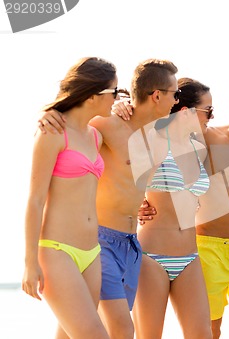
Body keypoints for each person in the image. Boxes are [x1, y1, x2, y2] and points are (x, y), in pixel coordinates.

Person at [132, 76, 229, 338]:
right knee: (211, 330)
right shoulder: (206, 137)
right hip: (205, 247)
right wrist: (138, 201)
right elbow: (163, 128)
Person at [38, 58, 179, 338]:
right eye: (174, 93)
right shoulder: (107, 123)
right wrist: (47, 115)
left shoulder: (159, 139)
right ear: (157, 95)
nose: (177, 101)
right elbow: (72, 122)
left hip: (130, 244)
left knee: (71, 331)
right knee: (121, 331)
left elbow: (129, 182)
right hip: (99, 240)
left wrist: (141, 203)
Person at [23, 57, 117, 338]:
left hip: (91, 252)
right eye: (114, 92)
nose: (116, 98)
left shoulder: (96, 136)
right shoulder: (52, 132)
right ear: (92, 96)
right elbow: (34, 200)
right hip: (56, 251)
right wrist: (30, 263)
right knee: (95, 334)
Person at [127, 78, 213, 338]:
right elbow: (116, 180)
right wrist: (135, 205)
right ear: (186, 111)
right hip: (152, 256)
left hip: (190, 256)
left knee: (202, 334)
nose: (211, 116)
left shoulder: (198, 149)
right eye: (207, 110)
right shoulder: (150, 140)